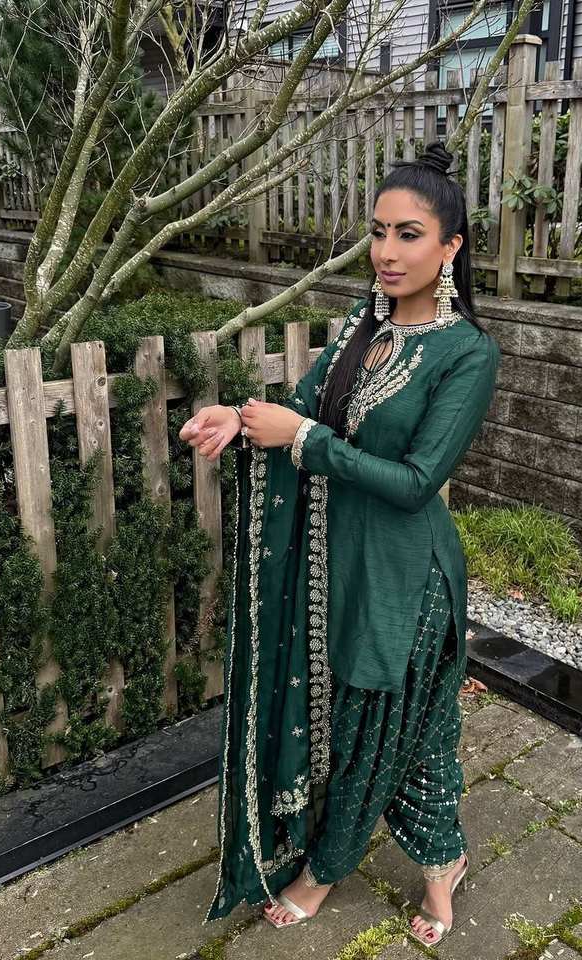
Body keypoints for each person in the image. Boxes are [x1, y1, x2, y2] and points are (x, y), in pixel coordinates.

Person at [179, 140, 500, 946]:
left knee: (373, 730)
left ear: (450, 247)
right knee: (421, 730)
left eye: (408, 235)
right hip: (341, 562)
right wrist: (239, 418)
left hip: (407, 578)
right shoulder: (367, 322)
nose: (386, 252)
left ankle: (322, 872)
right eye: (378, 232)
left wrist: (305, 441)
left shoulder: (467, 355)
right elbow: (302, 403)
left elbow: (416, 481)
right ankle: (444, 863)